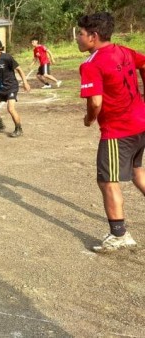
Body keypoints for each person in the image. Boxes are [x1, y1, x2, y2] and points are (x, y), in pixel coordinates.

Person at [77, 12, 145, 252]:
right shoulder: (124, 50)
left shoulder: (91, 64)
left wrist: (89, 119)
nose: (78, 38)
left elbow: (95, 102)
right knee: (137, 172)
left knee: (107, 181)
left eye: (81, 34)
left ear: (93, 36)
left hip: (118, 130)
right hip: (140, 123)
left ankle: (119, 234)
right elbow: (144, 62)